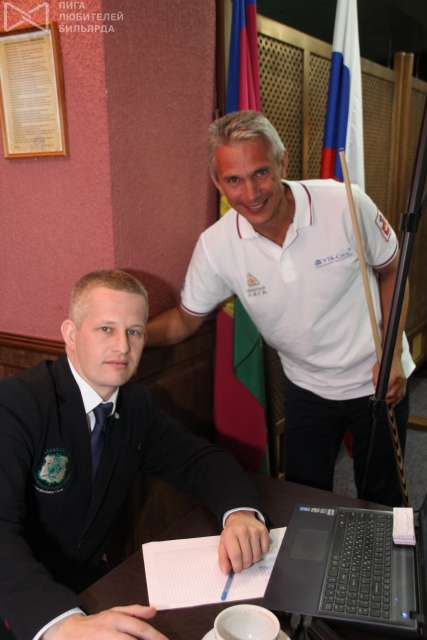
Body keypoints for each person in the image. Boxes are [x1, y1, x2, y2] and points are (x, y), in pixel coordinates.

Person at [146, 110, 415, 507]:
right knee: (303, 501)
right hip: (305, 387)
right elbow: (186, 319)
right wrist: (130, 336)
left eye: (260, 173)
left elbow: (392, 270)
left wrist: (390, 355)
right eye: (233, 180)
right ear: (217, 182)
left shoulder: (344, 202)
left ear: (282, 162)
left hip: (376, 377)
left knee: (382, 501)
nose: (251, 193)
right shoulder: (216, 246)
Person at [0, 269, 270, 640]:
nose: (123, 347)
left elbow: (200, 461)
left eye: (134, 332)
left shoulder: (134, 405)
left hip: (89, 586)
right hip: (22, 606)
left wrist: (239, 514)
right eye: (106, 329)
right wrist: (59, 623)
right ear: (71, 335)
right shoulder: (16, 404)